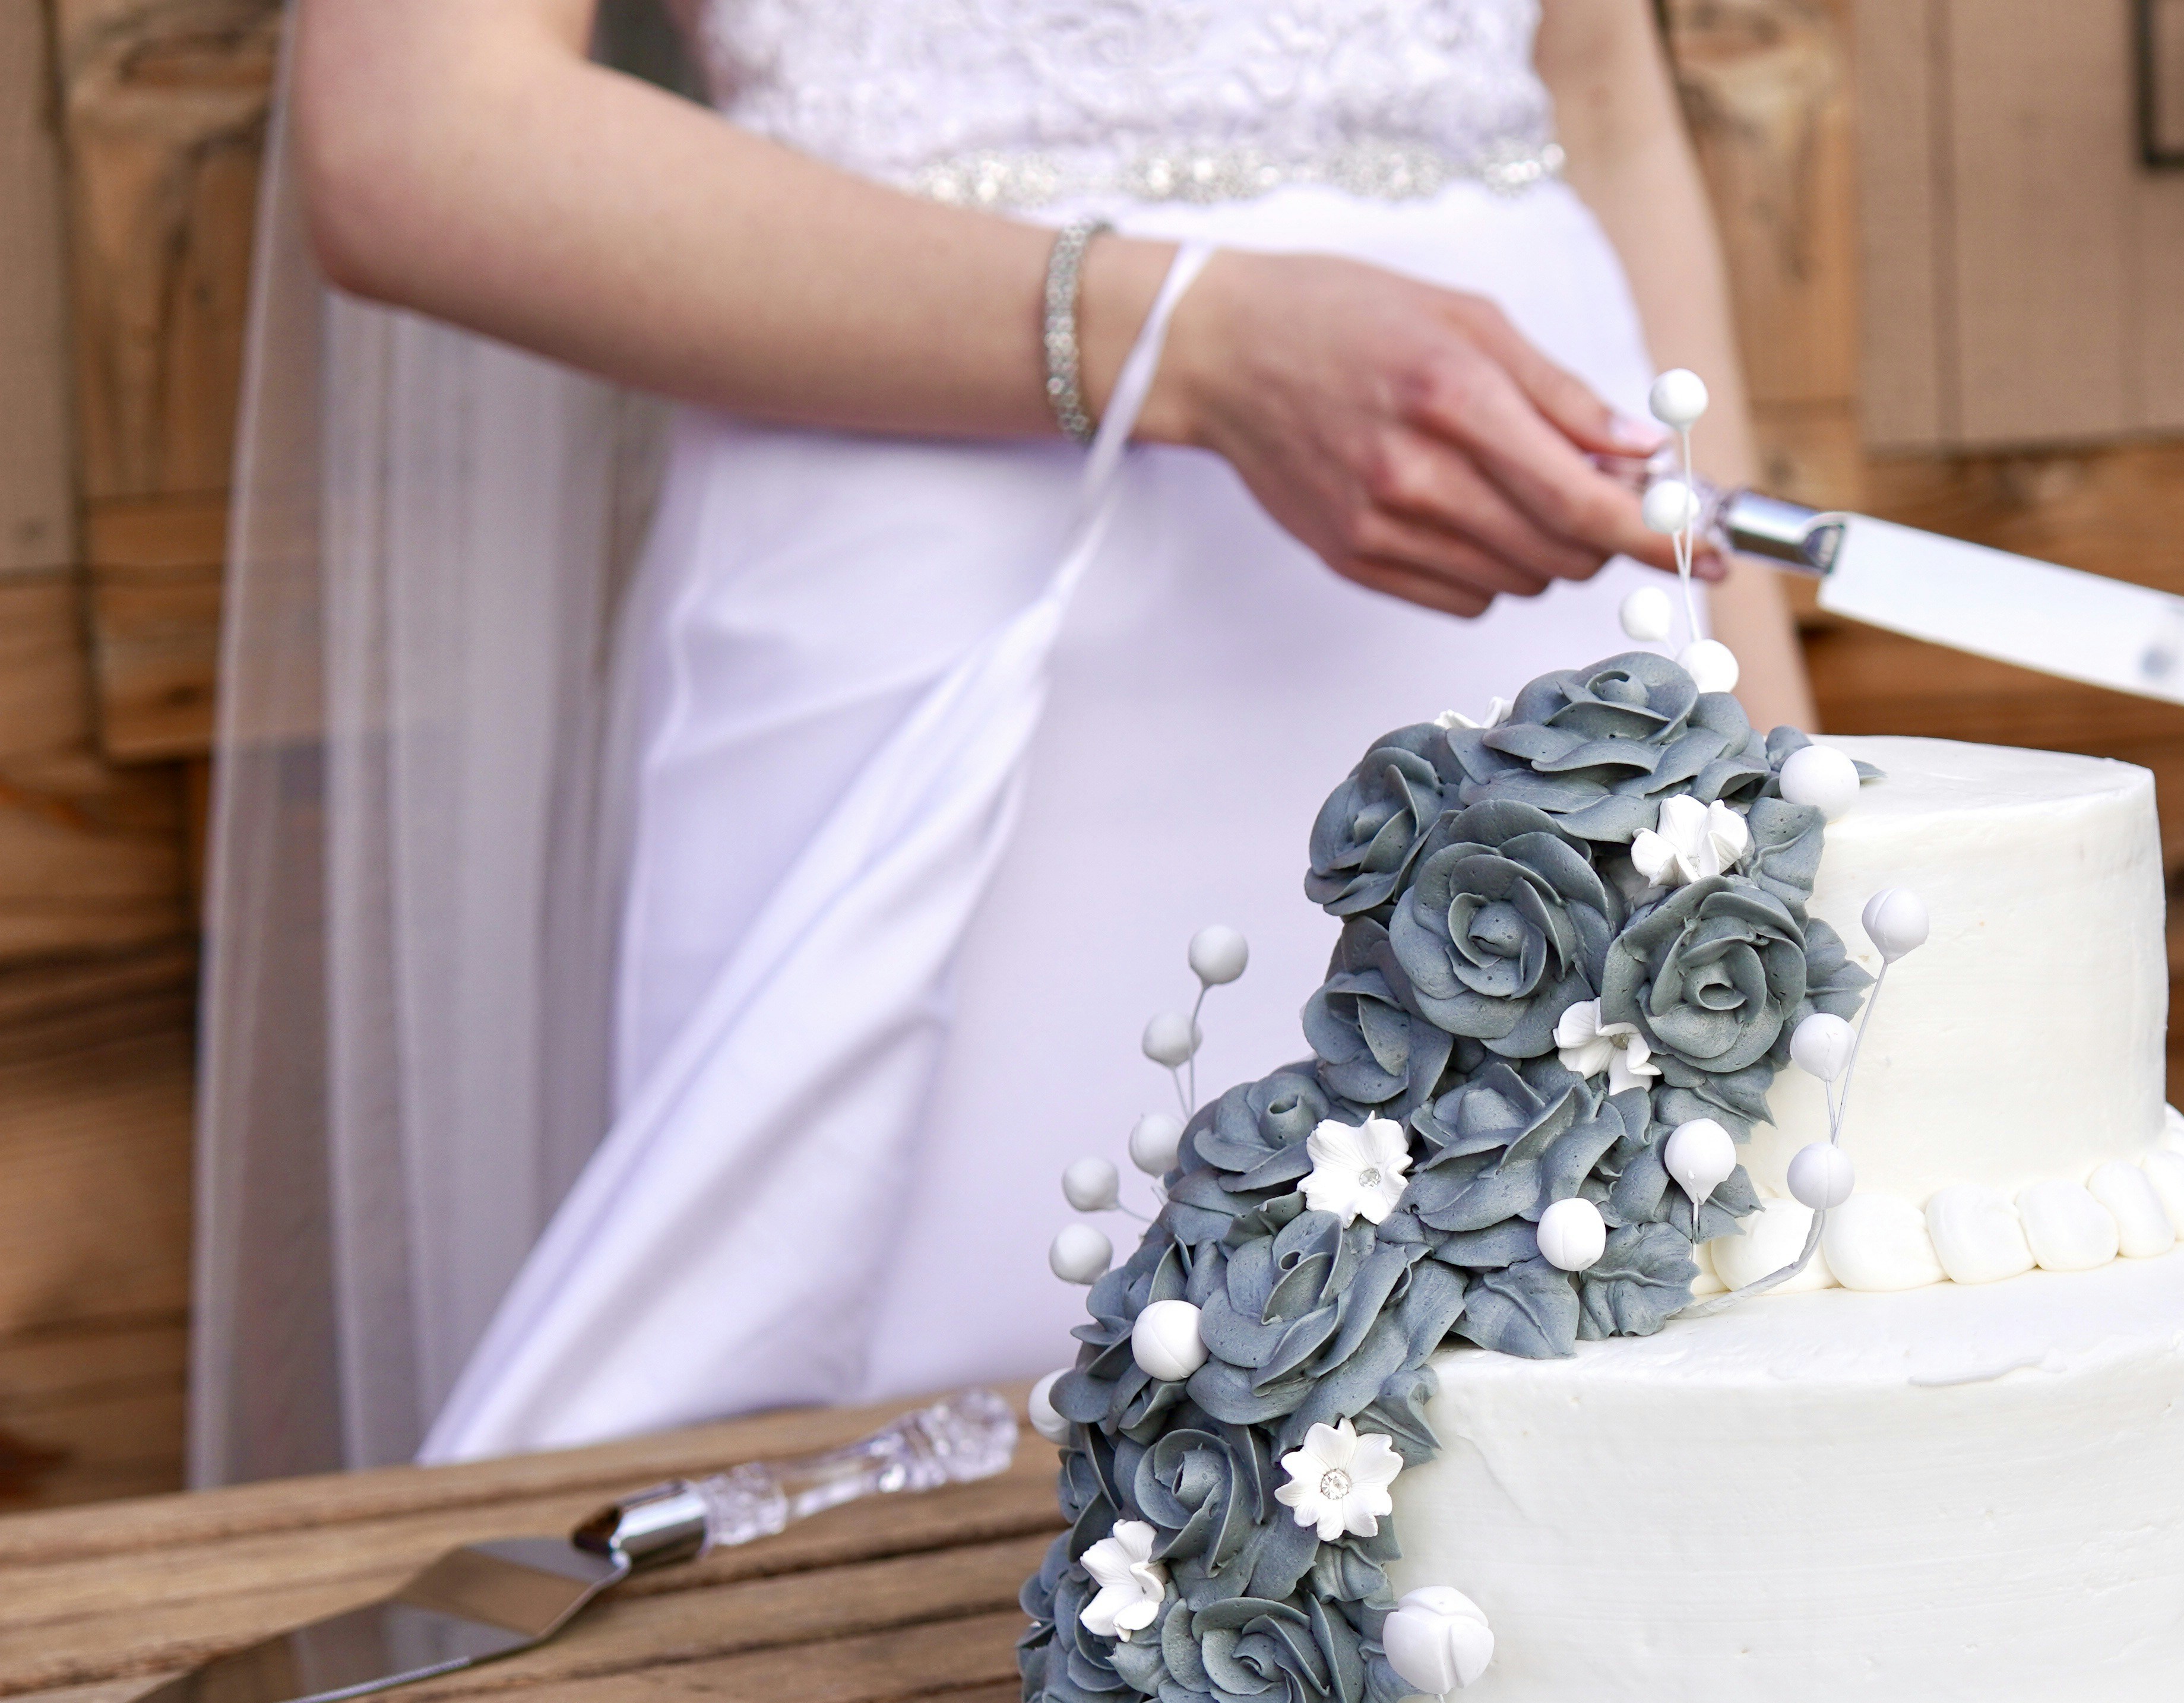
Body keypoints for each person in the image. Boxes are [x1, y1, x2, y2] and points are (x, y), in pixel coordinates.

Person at [191, 0, 1807, 1480]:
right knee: (886, 1518)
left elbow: (1595, 86)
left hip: (1545, 589)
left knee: (1610, 1457)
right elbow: (417, 136)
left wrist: (1769, 758)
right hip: (952, 612)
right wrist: (1182, 336)